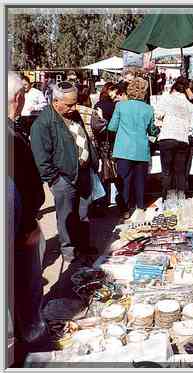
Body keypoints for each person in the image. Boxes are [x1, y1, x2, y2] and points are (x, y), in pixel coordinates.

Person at [30, 81, 99, 264]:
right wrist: (55, 179)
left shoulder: (73, 114)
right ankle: (69, 250)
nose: (74, 107)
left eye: (75, 102)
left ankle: (83, 246)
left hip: (82, 173)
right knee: (66, 216)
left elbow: (83, 138)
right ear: (55, 102)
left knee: (83, 213)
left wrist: (91, 160)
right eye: (69, 104)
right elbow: (41, 158)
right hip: (63, 179)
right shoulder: (43, 123)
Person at [7, 72, 50, 353]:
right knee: (23, 286)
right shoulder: (9, 134)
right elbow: (21, 185)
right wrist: (26, 225)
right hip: (19, 227)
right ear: (18, 98)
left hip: (20, 223)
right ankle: (28, 340)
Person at [108, 77, 159, 221]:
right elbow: (152, 131)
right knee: (140, 182)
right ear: (144, 92)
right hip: (141, 150)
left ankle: (125, 211)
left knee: (124, 181)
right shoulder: (149, 109)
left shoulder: (120, 106)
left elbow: (112, 127)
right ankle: (140, 209)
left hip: (123, 149)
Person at [155, 76, 193, 199]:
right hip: (182, 140)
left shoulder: (166, 98)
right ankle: (181, 199)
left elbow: (157, 116)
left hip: (167, 138)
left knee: (167, 172)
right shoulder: (189, 104)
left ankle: (166, 199)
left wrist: (162, 123)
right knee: (180, 172)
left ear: (173, 87)